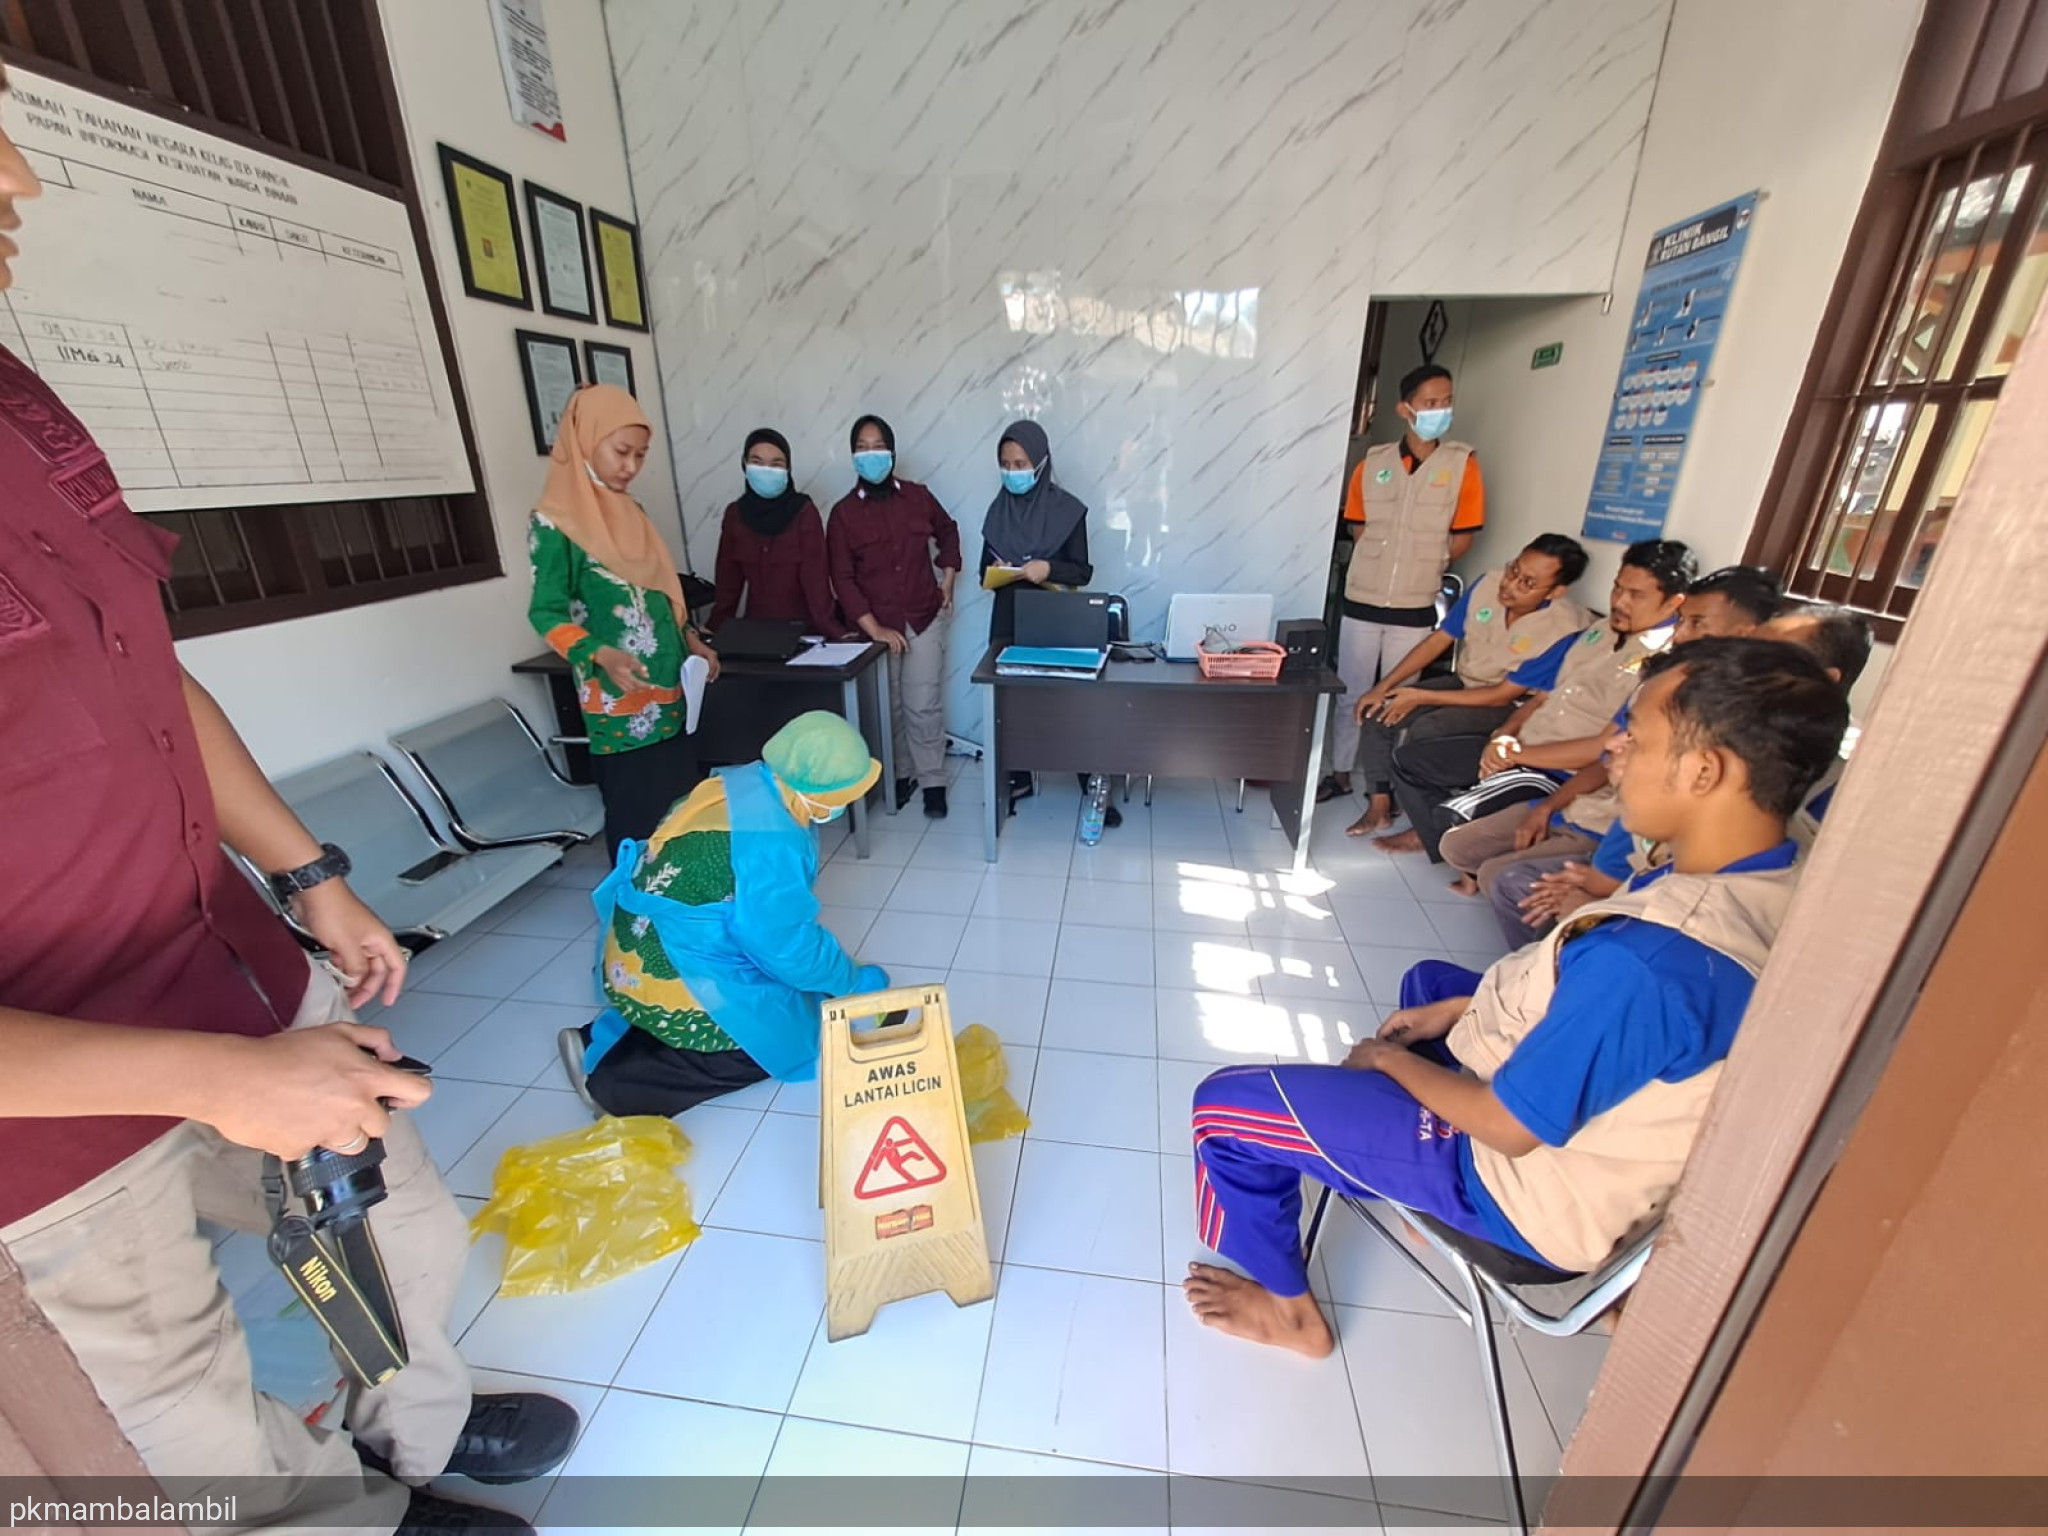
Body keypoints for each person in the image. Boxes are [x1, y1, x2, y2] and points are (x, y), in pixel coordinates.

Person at [0, 98, 570, 1535]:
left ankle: (414, 1449)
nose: (19, 175)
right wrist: (218, 1082)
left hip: (225, 975)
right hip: (41, 1122)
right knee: (182, 1434)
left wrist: (310, 873)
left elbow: (147, 675)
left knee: (403, 1235)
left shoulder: (18, 405)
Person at [1182, 639, 1849, 1357]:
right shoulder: (1773, 875)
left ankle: (1293, 1317)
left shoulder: (1650, 963)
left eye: (1638, 737)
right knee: (1435, 989)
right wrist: (1458, 1011)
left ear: (1704, 770)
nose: (1614, 749)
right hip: (1615, 1150)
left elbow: (1505, 1127)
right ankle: (1396, 1160)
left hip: (1516, 1189)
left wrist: (1384, 1061)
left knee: (1225, 1108)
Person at [557, 712, 891, 1118]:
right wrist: (850, 981)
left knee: (790, 995)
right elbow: (785, 945)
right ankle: (616, 1087)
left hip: (636, 954)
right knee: (772, 1043)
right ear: (819, 792)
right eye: (843, 796)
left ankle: (600, 1036)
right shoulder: (772, 842)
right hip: (679, 968)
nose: (844, 805)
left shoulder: (737, 785)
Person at [1493, 600, 1869, 950]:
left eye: (1768, 657)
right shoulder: (1687, 726)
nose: (1743, 662)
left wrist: (1595, 909)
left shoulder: (1827, 800)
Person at [1440, 559, 1775, 896]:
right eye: (1683, 621)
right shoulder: (1654, 674)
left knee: (1504, 878)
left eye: (1697, 623)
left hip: (1617, 826)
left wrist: (1600, 881)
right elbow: (1603, 754)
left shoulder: (1734, 717)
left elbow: (1642, 801)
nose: (1681, 634)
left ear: (1744, 634)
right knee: (1461, 847)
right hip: (1581, 801)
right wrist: (1547, 804)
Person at [1379, 539, 1695, 865]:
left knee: (1452, 820)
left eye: (1636, 595)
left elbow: (1601, 750)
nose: (1620, 601)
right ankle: (1453, 848)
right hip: (1522, 746)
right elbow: (1543, 695)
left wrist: (1514, 754)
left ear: (1674, 602)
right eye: (1617, 588)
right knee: (1409, 762)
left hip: (1558, 772)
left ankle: (1463, 852)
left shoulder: (1663, 666)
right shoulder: (1598, 631)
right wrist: (1503, 735)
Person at [528, 384, 721, 861]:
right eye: (621, 452)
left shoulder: (633, 512)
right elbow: (545, 612)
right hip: (618, 704)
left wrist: (693, 640)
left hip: (671, 694)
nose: (631, 466)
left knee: (680, 817)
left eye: (641, 454)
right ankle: (633, 907)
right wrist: (600, 653)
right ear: (585, 440)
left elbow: (661, 595)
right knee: (637, 821)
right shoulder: (554, 524)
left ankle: (678, 902)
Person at [1344, 533, 1592, 838]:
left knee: (1430, 728)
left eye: (1527, 583)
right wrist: (1384, 686)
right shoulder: (1488, 584)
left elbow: (1502, 695)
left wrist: (1421, 695)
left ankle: (1431, 825)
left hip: (1509, 704)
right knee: (1379, 710)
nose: (1510, 585)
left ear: (1556, 591)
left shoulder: (1563, 628)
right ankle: (1380, 804)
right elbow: (1440, 639)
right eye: (1514, 570)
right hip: (1466, 681)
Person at [1322, 364, 1486, 806]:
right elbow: (1359, 528)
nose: (1440, 410)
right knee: (1350, 693)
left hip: (1415, 605)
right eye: (1431, 403)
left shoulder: (1462, 465)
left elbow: (1463, 537)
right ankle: (1340, 773)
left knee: (1398, 699)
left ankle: (1385, 784)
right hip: (1362, 599)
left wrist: (1422, 565)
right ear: (1405, 408)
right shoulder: (1372, 464)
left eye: (1446, 402)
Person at [979, 419, 1117, 824]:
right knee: (1010, 703)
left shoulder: (1067, 511)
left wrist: (1048, 567)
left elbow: (1082, 571)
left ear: (1040, 463)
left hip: (1055, 617)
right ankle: (1018, 777)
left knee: (1069, 703)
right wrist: (1001, 569)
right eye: (1006, 464)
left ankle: (1090, 781)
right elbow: (983, 572)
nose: (1013, 472)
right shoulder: (997, 512)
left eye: (1021, 464)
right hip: (1008, 615)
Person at [827, 414, 962, 819]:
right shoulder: (843, 514)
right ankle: (901, 774)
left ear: (892, 452)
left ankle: (932, 780)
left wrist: (948, 578)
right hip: (876, 624)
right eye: (862, 448)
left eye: (878, 446)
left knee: (922, 703)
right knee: (890, 708)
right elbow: (842, 578)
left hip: (923, 615)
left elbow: (948, 530)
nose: (871, 455)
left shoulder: (918, 496)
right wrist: (875, 629)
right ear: (853, 456)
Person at [709, 427, 841, 638]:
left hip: (804, 632)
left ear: (788, 469)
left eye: (776, 464)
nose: (767, 470)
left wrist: (834, 631)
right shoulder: (735, 515)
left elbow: (816, 585)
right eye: (757, 462)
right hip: (756, 632)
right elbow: (728, 586)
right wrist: (712, 629)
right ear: (744, 465)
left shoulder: (803, 512)